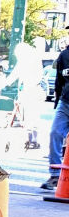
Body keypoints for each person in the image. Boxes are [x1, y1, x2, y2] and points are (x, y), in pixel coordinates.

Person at [43, 37, 69, 190]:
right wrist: (57, 99)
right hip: (65, 102)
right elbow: (59, 80)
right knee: (55, 133)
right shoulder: (64, 55)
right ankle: (54, 175)